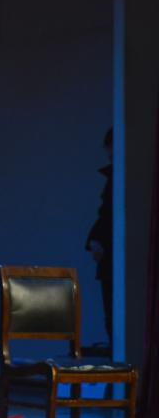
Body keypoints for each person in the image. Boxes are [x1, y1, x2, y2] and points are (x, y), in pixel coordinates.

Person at [86, 127, 114, 349]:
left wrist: (96, 240)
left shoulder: (118, 179)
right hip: (110, 257)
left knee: (114, 314)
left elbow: (108, 214)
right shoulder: (115, 177)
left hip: (112, 258)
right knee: (112, 315)